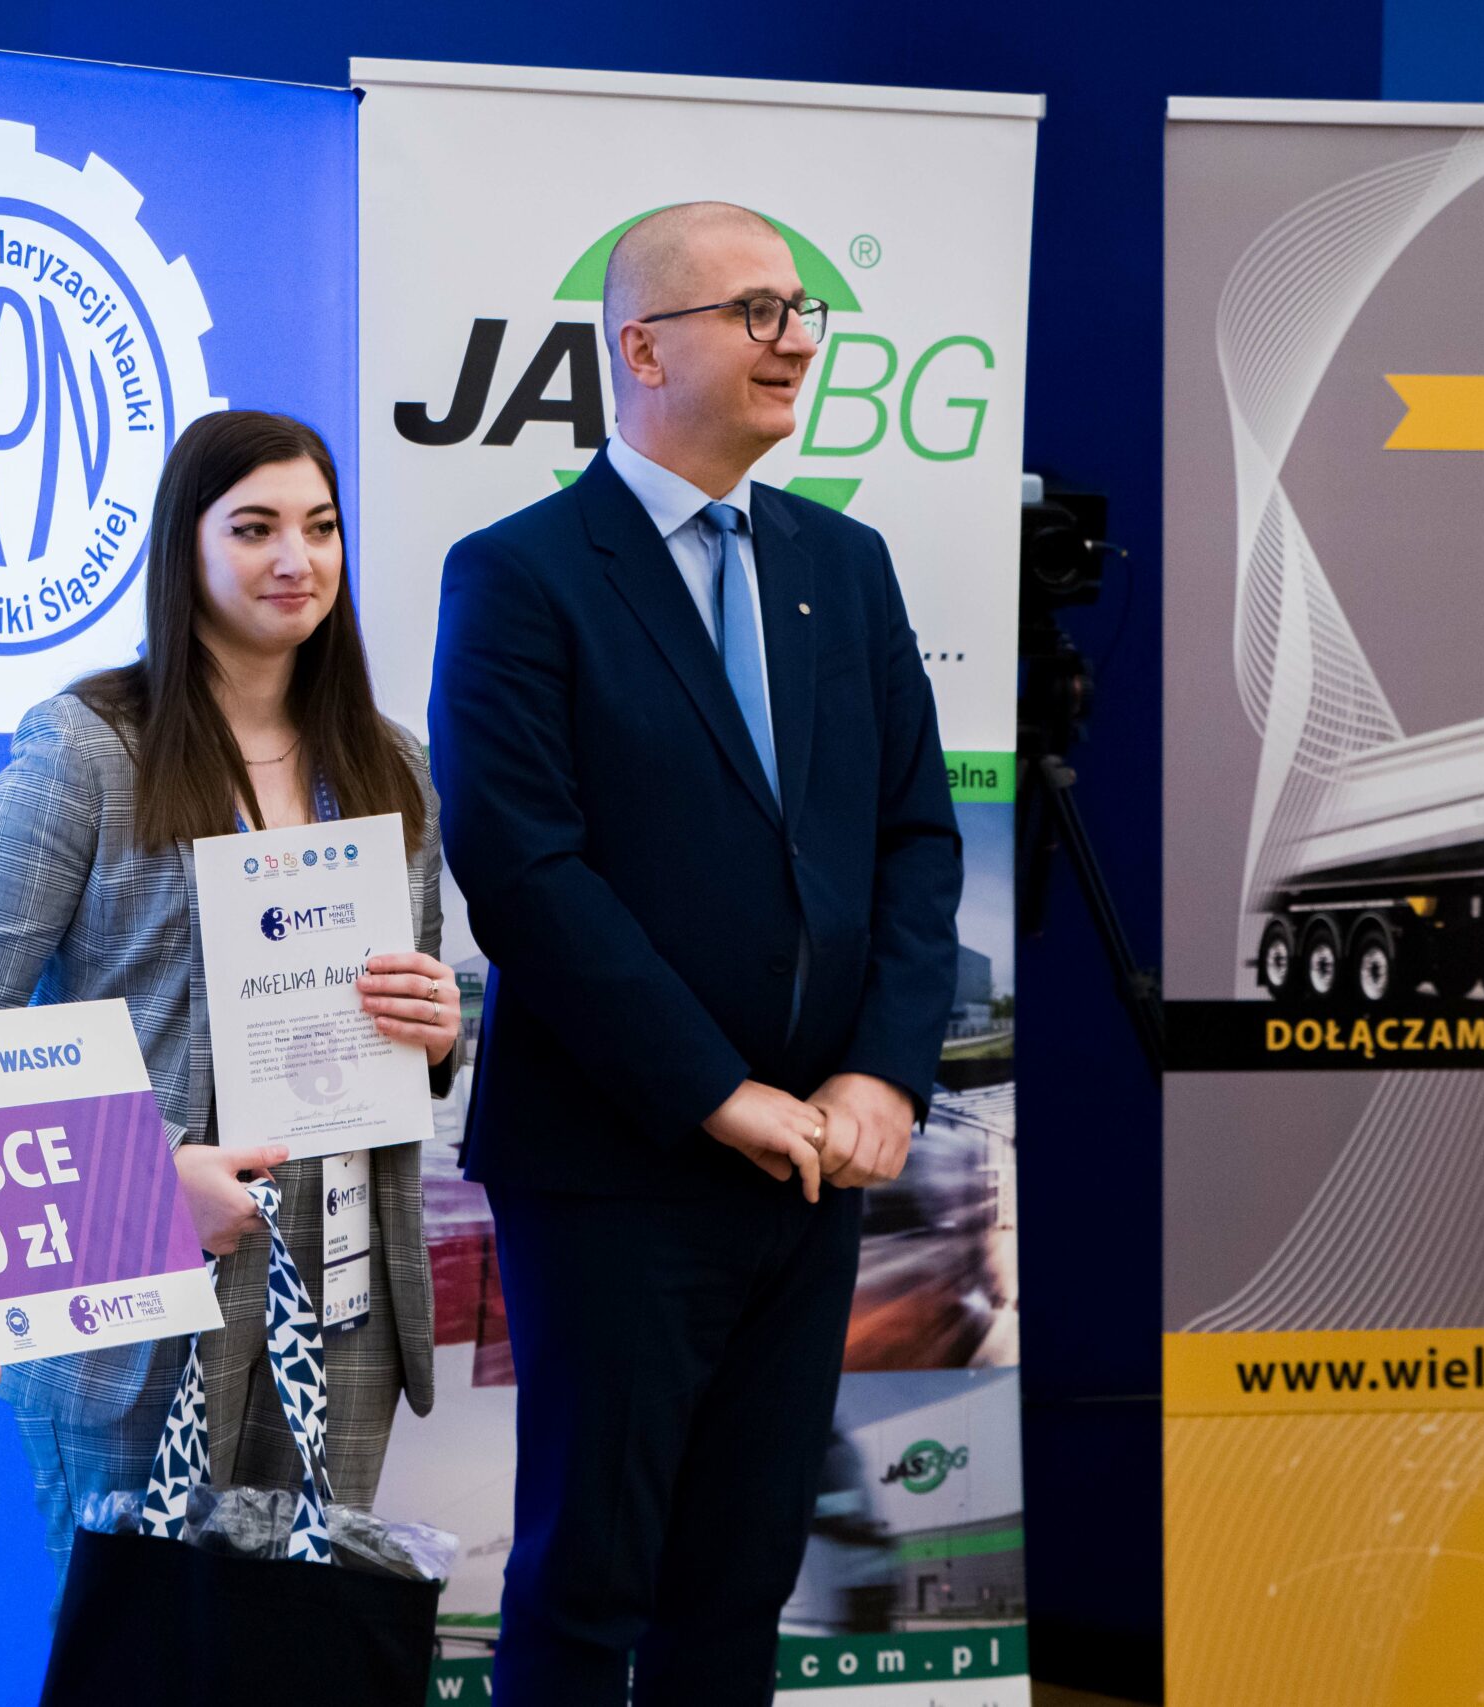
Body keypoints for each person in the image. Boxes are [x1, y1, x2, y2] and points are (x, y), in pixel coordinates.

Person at [428, 203, 963, 1705]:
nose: (796, 338)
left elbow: (915, 839)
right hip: (621, 1161)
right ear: (643, 349)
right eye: (756, 311)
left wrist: (883, 1074)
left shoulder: (843, 564)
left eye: (800, 309)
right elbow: (523, 873)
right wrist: (718, 1093)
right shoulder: (522, 573)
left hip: (812, 1168)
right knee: (590, 1577)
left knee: (740, 1576)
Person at [0, 409, 462, 1576]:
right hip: (138, 1287)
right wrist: (146, 1179)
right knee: (140, 1648)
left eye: (319, 527)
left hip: (341, 1296)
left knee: (300, 1651)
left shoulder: (391, 762)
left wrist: (435, 1030)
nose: (295, 559)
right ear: (184, 549)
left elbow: (411, 1012)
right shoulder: (88, 750)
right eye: (254, 528)